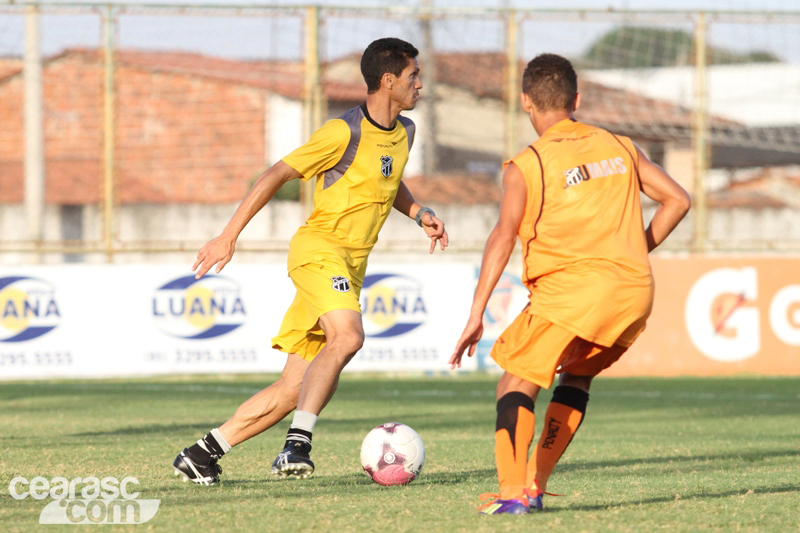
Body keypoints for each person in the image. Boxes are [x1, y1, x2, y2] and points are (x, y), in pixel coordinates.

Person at [173, 37, 448, 486]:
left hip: (350, 266)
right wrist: (228, 235)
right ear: (388, 80)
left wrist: (420, 213)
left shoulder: (406, 132)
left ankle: (202, 454)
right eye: (414, 75)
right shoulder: (342, 132)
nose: (421, 83)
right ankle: (296, 445)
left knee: (291, 390)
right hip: (319, 251)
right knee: (349, 335)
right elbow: (276, 173)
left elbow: (388, 179)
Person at [449, 53, 690, 515]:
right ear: (576, 99)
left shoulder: (529, 164)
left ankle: (512, 495)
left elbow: (502, 235)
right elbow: (678, 199)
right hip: (633, 292)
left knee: (514, 383)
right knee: (576, 376)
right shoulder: (620, 145)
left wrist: (476, 313)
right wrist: (633, 251)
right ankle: (535, 485)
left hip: (573, 292)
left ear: (525, 102)